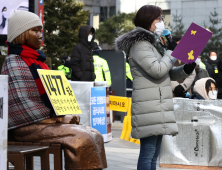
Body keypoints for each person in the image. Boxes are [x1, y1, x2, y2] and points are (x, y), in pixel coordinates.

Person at [1, 11, 107, 170]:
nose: (40, 35)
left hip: (43, 121)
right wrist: (57, 119)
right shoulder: (15, 62)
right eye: (35, 31)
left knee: (95, 134)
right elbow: (22, 107)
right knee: (81, 138)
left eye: (40, 30)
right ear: (21, 34)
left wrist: (64, 114)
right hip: (25, 127)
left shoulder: (36, 60)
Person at [115, 5, 196, 170]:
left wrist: (185, 70)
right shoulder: (139, 44)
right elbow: (157, 70)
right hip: (149, 105)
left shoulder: (152, 43)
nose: (161, 22)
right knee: (148, 154)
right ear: (148, 20)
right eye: (159, 19)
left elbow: (166, 73)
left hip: (157, 105)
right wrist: (171, 52)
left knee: (153, 155)